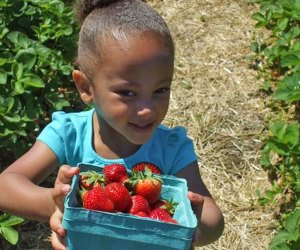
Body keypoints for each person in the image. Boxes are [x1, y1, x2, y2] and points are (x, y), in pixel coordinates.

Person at [0, 0, 224, 249]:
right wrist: (59, 203)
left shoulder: (171, 147)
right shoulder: (70, 134)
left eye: (160, 90)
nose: (147, 108)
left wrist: (193, 224)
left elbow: (214, 222)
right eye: (128, 93)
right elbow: (5, 186)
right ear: (86, 88)